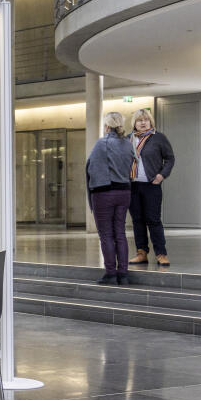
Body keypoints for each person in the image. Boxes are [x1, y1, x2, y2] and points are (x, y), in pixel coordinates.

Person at [86, 111, 137, 285]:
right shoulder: (128, 144)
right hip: (124, 193)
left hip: (104, 193)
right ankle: (123, 274)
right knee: (120, 233)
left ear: (106, 126)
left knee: (106, 234)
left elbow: (91, 168)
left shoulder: (102, 143)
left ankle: (110, 273)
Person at [128, 108, 174, 267]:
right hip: (132, 186)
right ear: (134, 123)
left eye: (146, 120)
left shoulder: (158, 138)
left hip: (151, 186)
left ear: (150, 122)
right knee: (137, 220)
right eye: (139, 120)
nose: (143, 123)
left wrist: (162, 176)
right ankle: (141, 253)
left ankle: (161, 254)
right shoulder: (128, 139)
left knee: (153, 220)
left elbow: (170, 158)